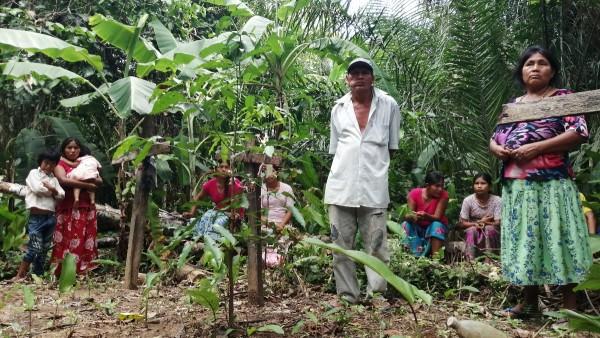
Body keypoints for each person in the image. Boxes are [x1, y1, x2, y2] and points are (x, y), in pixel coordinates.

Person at [490, 46, 592, 318]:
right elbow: (495, 136)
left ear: (552, 71)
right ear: (521, 72)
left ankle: (570, 308)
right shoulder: (513, 106)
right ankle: (530, 303)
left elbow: (579, 132)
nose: (535, 68)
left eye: (542, 63)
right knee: (526, 240)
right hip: (517, 185)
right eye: (529, 64)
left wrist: (538, 148)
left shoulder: (563, 98)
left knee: (562, 236)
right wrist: (496, 149)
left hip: (552, 183)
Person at [324, 57, 402, 304]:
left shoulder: (389, 105)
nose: (359, 76)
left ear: (372, 78)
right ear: (347, 79)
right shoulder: (338, 108)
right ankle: (348, 297)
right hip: (340, 187)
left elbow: (392, 147)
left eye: (364, 72)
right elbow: (336, 149)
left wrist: (372, 167)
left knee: (376, 245)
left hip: (374, 187)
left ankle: (377, 296)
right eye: (354, 73)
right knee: (341, 247)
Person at [51, 137, 102, 274]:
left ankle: (84, 270)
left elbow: (99, 180)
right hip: (68, 207)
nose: (73, 150)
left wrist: (92, 182)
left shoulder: (86, 162)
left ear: (80, 149)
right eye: (69, 147)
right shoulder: (59, 163)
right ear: (63, 149)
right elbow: (63, 180)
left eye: (76, 148)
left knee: (87, 238)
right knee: (67, 238)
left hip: (87, 206)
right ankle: (64, 271)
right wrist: (87, 185)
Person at [12, 150, 65, 281]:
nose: (48, 167)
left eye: (52, 164)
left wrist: (52, 189)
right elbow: (37, 189)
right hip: (36, 218)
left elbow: (62, 195)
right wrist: (53, 192)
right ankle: (20, 275)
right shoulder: (33, 173)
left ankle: (38, 275)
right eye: (46, 163)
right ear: (40, 162)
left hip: (50, 218)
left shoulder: (53, 179)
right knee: (34, 248)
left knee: (44, 249)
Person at [183, 160, 245, 240]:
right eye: (221, 167)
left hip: (233, 217)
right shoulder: (210, 184)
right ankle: (199, 240)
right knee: (197, 220)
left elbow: (239, 204)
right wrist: (192, 213)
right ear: (216, 169)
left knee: (218, 224)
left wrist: (235, 214)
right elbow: (198, 197)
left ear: (231, 170)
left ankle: (212, 243)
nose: (223, 169)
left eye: (226, 167)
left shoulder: (236, 184)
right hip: (217, 213)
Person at [402, 171, 449, 257]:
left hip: (434, 228)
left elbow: (437, 217)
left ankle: (436, 259)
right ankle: (410, 256)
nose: (440, 189)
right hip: (418, 227)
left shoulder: (444, 195)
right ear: (428, 185)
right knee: (406, 224)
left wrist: (426, 216)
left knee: (436, 225)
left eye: (442, 186)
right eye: (437, 186)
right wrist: (412, 217)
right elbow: (409, 214)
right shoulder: (414, 193)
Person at [458, 173, 501, 261]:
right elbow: (462, 223)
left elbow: (498, 223)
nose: (479, 186)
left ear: (489, 186)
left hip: (492, 230)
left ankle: (490, 261)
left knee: (490, 229)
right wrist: (477, 223)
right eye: (476, 183)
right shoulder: (468, 200)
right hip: (473, 228)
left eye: (483, 183)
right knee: (472, 230)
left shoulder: (497, 200)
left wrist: (485, 222)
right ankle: (470, 262)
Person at [259, 163, 295, 267]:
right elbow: (257, 211)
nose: (269, 175)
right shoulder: (260, 189)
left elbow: (290, 210)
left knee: (281, 243)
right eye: (266, 172)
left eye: (272, 171)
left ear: (277, 173)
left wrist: (281, 225)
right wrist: (268, 223)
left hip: (283, 223)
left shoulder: (286, 188)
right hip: (265, 223)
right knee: (266, 239)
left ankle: (278, 261)